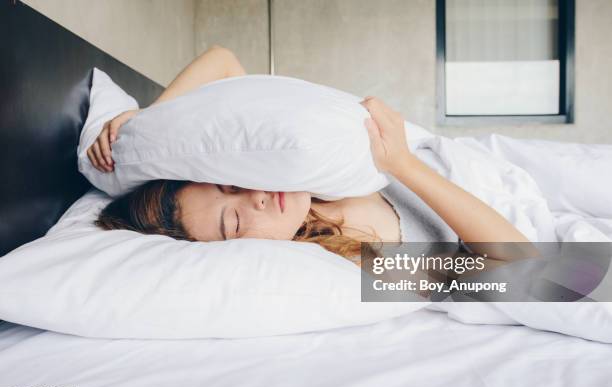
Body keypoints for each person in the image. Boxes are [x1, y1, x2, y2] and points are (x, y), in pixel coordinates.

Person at [89, 46, 533, 263]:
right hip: (512, 207)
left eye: (233, 183)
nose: (257, 197)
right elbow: (526, 264)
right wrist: (401, 164)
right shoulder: (342, 259)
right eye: (236, 220)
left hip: (481, 157)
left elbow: (223, 62)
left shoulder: (302, 164)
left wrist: (148, 123)